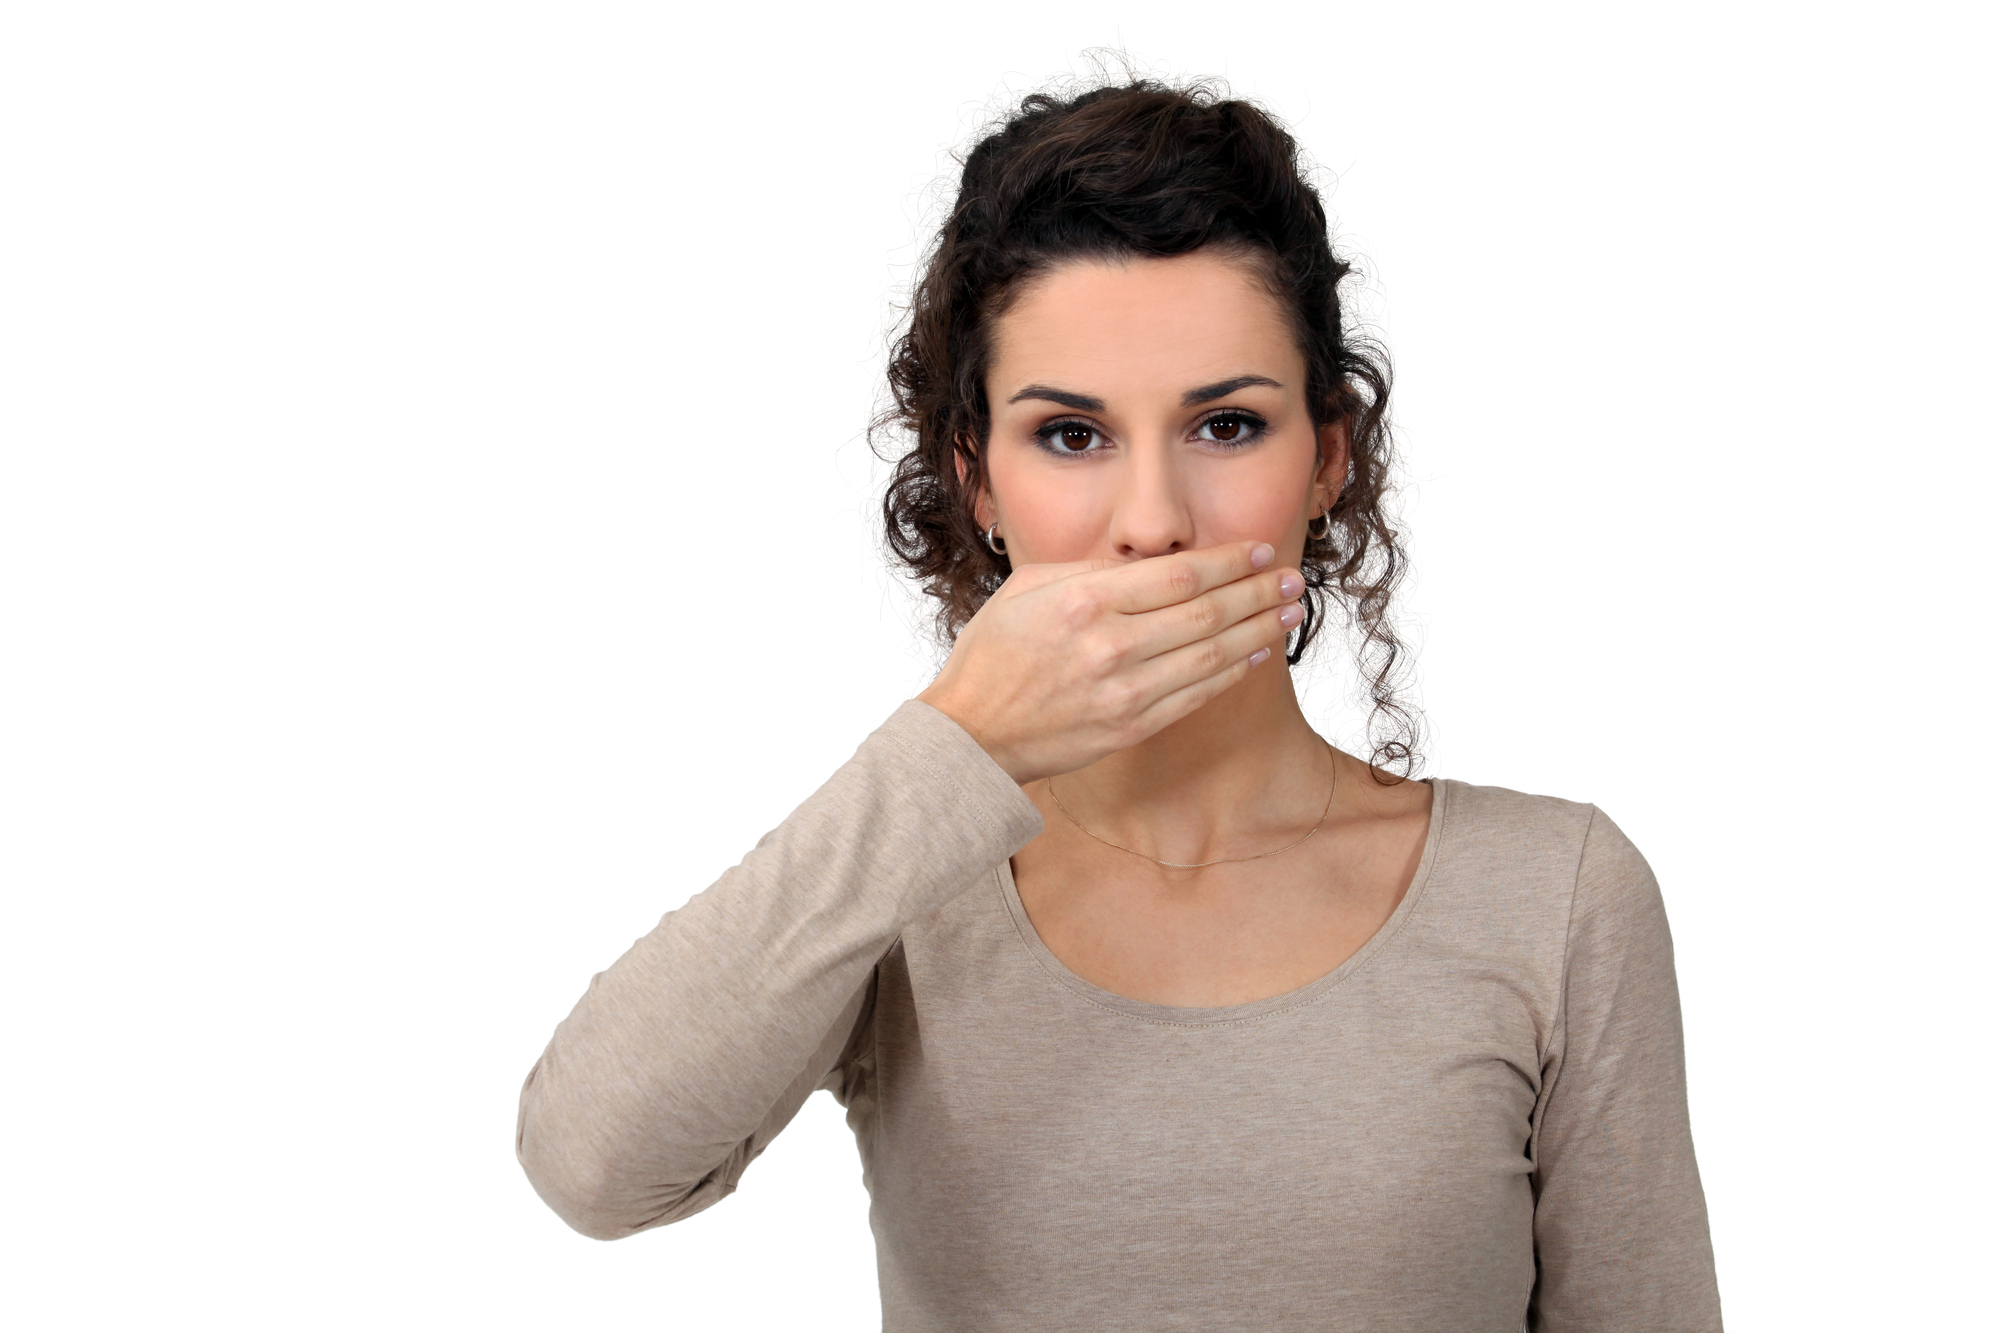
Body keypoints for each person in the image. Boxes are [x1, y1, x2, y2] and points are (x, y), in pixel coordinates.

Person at [516, 78, 1723, 1332]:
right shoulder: (902, 883)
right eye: (1072, 438)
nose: (1151, 524)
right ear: (975, 479)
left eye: (1224, 424)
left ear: (1325, 458)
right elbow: (592, 1165)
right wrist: (956, 742)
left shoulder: (1554, 894)